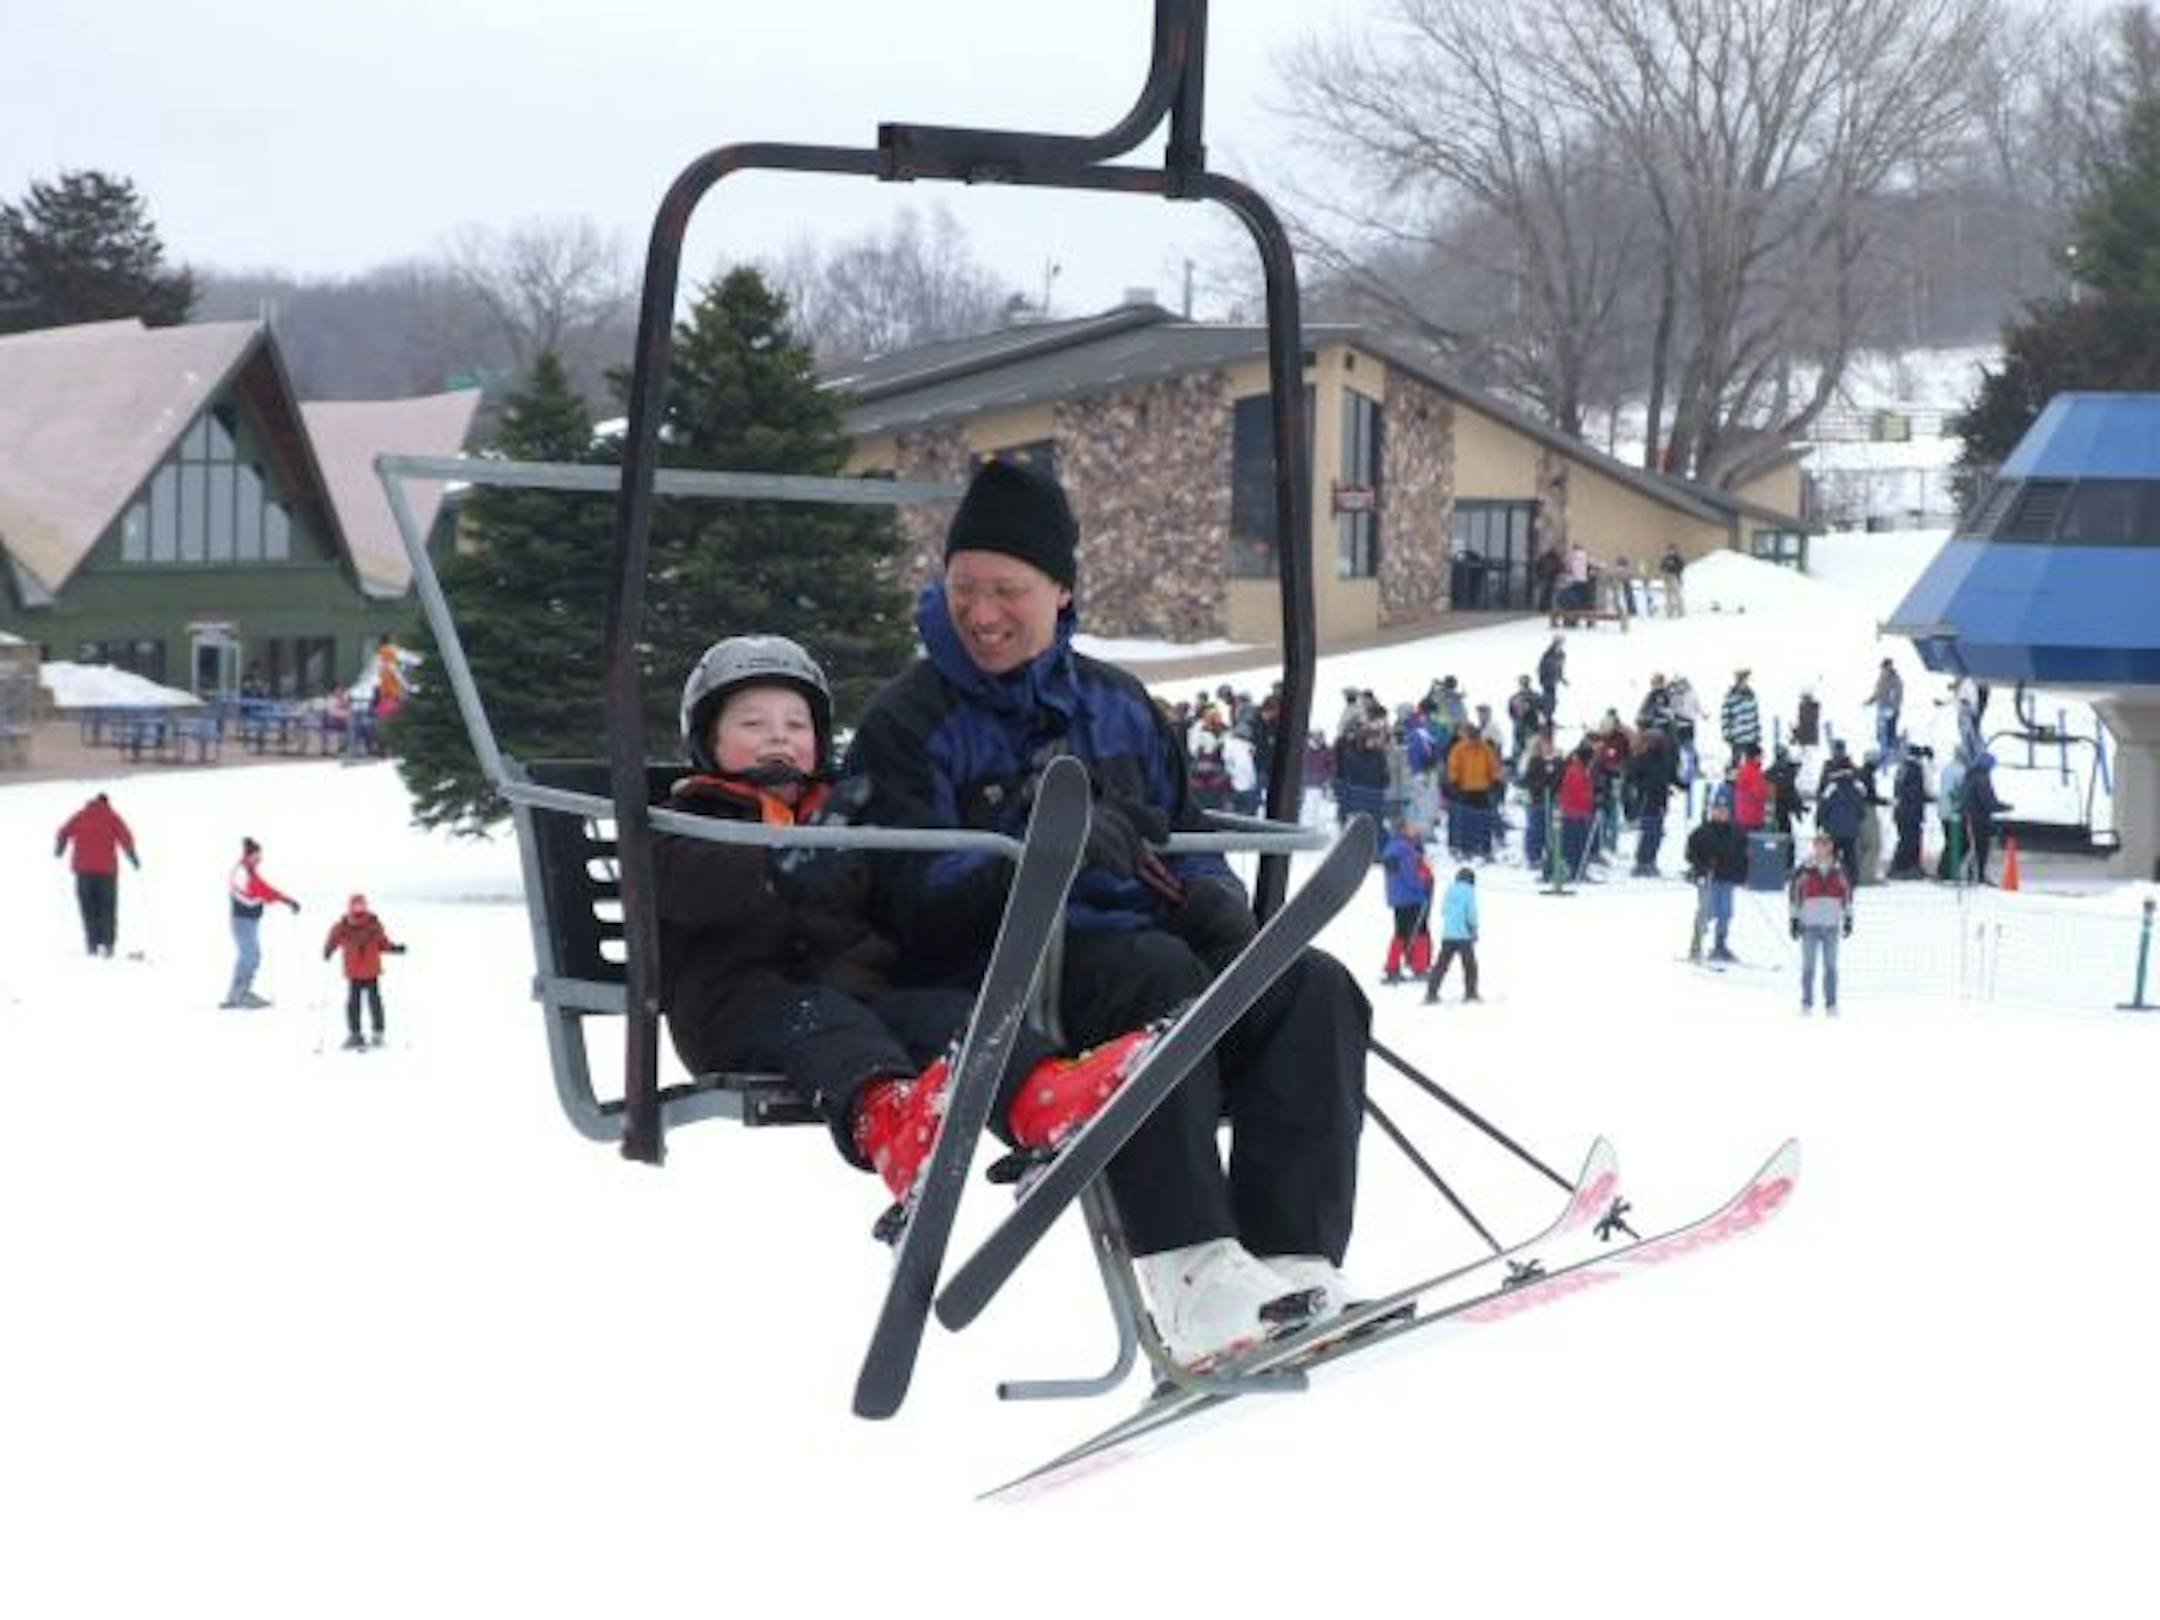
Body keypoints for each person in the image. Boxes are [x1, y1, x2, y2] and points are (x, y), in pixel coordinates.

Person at [849, 458, 1371, 1368]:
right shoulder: (909, 720)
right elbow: (908, 899)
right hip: (1006, 978)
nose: (982, 613)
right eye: (964, 587)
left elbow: (1185, 834)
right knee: (1159, 984)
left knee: (1313, 989)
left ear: (1061, 589)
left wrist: (1210, 900)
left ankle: (1294, 1259)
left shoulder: (1120, 707)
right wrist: (1034, 864)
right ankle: (1192, 1270)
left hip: (1138, 941)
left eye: (1007, 589)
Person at [654, 634, 1142, 1219]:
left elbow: (898, 898)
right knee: (824, 1022)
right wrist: (776, 869)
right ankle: (885, 1121)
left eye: (796, 723)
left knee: (951, 1015)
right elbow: (682, 883)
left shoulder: (843, 813)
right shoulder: (692, 817)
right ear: (707, 741)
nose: (779, 736)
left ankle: (1038, 1097)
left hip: (858, 995)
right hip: (740, 1007)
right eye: (753, 723)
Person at [53, 792, 138, 957]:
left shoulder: (81, 815)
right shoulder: (112, 816)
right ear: (106, 803)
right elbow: (125, 837)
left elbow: (63, 832)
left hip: (83, 872)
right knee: (108, 908)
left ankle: (92, 944)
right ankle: (108, 945)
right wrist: (133, 857)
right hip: (107, 872)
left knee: (88, 908)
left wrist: (59, 849)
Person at [322, 893, 407, 1049]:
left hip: (371, 971)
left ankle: (378, 1033)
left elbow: (383, 943)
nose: (359, 907)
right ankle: (355, 1034)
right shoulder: (342, 926)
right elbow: (333, 939)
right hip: (353, 972)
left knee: (375, 1002)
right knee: (353, 1004)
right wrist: (328, 950)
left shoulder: (374, 924)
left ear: (366, 906)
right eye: (355, 904)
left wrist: (395, 948)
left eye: (361, 904)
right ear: (350, 906)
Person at [223, 838, 300, 1009]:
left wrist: (279, 899)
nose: (260, 859)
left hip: (248, 920)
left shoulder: (249, 870)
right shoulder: (243, 872)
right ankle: (240, 994)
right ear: (249, 855)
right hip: (242, 921)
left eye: (260, 855)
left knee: (250, 955)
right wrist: (285, 900)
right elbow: (261, 890)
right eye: (257, 855)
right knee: (250, 955)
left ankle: (238, 993)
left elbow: (263, 890)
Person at [1787, 833, 1854, 1015]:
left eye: (1825, 844)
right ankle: (1806, 1002)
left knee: (1831, 967)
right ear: (1814, 847)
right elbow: (1794, 896)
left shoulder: (1839, 870)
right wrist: (1794, 919)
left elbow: (1847, 895)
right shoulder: (1804, 870)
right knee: (1808, 967)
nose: (1822, 848)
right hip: (1809, 925)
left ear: (1830, 847)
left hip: (1831, 925)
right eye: (1818, 844)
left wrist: (1848, 918)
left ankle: (1831, 1003)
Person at [1685, 797, 1748, 963]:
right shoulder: (1701, 832)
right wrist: (1701, 866)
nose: (1721, 813)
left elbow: (1743, 855)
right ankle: (1696, 945)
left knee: (1725, 913)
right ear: (1712, 811)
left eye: (1724, 810)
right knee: (1707, 911)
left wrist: (1742, 874)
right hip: (1709, 878)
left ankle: (1720, 945)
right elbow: (1690, 854)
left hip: (1727, 879)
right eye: (1718, 810)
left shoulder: (1736, 832)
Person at [1379, 819, 1434, 984]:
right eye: (1411, 827)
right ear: (1403, 830)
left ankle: (1392, 966)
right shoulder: (1406, 849)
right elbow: (1410, 874)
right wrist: (1423, 884)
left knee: (1400, 932)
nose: (1415, 829)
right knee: (1420, 931)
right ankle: (1420, 966)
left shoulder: (1391, 847)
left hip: (1397, 897)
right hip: (1412, 897)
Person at [1423, 867, 1481, 1004]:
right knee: (1469, 966)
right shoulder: (1469, 891)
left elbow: (1443, 910)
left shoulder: (1450, 889)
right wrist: (1473, 928)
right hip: (1464, 935)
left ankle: (1431, 993)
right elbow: (1471, 912)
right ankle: (1470, 993)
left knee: (1441, 965)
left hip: (1448, 934)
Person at [1962, 751, 2011, 883]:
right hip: (1979, 818)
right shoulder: (1982, 778)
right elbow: (1987, 800)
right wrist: (2002, 807)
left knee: (1975, 847)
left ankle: (1973, 873)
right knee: (1981, 847)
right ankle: (1978, 875)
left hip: (1970, 816)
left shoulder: (1970, 775)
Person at [1890, 746, 1932, 878]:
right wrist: (1926, 798)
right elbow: (1915, 793)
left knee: (1905, 839)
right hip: (1911, 812)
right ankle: (1906, 867)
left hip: (1901, 811)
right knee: (1911, 840)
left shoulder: (1902, 768)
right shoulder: (1915, 770)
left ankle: (1901, 866)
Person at [1720, 669, 1762, 764]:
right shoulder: (1730, 698)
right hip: (1737, 737)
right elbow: (1725, 717)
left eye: (1746, 680)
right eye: (1742, 680)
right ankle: (1735, 778)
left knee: (1751, 763)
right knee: (1736, 763)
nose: (1744, 683)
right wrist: (1727, 734)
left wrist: (1757, 733)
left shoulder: (1751, 696)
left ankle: (1749, 778)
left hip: (1751, 736)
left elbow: (1755, 717)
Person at [1867, 658, 1903, 760]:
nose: (1883, 670)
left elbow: (1897, 695)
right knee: (1881, 734)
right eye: (1882, 668)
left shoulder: (1895, 679)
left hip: (1890, 710)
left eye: (1885, 668)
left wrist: (1893, 707)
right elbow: (1878, 692)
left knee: (1889, 733)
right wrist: (1871, 700)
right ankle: (1884, 751)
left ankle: (1893, 752)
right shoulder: (1881, 678)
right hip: (1881, 709)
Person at [1536, 636, 1567, 721]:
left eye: (1561, 643)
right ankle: (1547, 716)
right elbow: (1540, 667)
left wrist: (1562, 679)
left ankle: (1548, 716)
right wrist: (1542, 678)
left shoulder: (1561, 654)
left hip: (1553, 681)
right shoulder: (1548, 654)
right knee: (1549, 699)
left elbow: (1560, 668)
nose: (1560, 645)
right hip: (1546, 680)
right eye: (1558, 643)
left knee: (1553, 700)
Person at [1659, 543, 1687, 616]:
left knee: (1677, 595)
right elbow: (1661, 567)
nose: (1671, 551)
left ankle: (1680, 611)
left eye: (1672, 550)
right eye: (1669, 550)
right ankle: (1669, 611)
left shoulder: (1678, 558)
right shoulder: (1665, 559)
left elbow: (1682, 567)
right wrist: (1664, 573)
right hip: (1667, 578)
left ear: (1675, 550)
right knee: (1668, 596)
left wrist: (1674, 567)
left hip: (1675, 577)